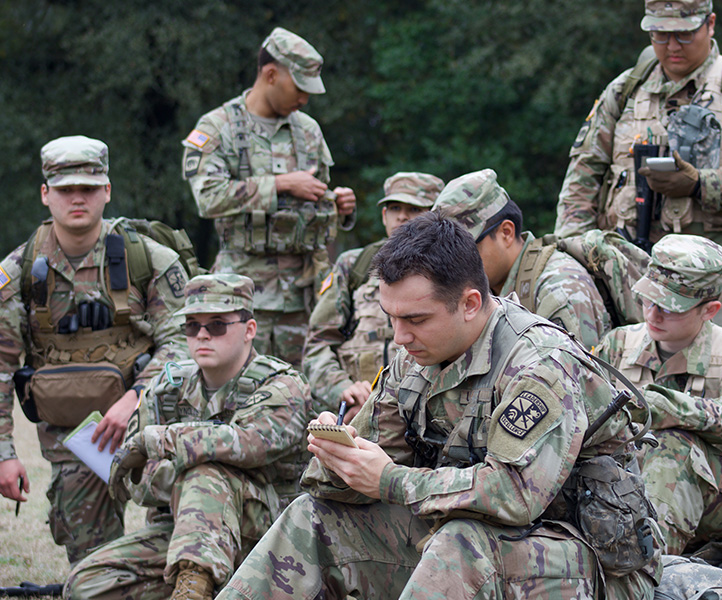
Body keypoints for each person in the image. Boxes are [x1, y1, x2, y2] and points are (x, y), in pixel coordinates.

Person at [216, 212, 660, 600]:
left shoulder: (538, 363)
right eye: (392, 318)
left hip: (589, 560)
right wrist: (341, 459)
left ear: (469, 304)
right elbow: (354, 479)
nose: (400, 336)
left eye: (415, 319)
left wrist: (389, 479)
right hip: (472, 540)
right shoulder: (415, 358)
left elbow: (515, 495)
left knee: (459, 543)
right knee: (311, 518)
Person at [554, 0, 722, 334]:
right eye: (660, 33)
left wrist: (701, 184)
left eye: (684, 34)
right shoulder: (626, 90)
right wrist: (575, 254)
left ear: (710, 24)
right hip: (632, 276)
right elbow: (583, 176)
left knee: (719, 374)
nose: (671, 46)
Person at [0, 135, 189, 564]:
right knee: (91, 566)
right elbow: (0, 367)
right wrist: (4, 456)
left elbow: (183, 343)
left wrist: (134, 398)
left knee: (183, 535)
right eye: (66, 189)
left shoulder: (150, 260)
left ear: (107, 191)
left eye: (89, 188)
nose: (77, 198)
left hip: (155, 425)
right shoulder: (18, 273)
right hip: (74, 438)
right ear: (46, 195)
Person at [65, 273, 312, 600]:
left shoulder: (282, 385)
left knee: (204, 475)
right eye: (192, 326)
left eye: (218, 325)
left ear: (249, 330)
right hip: (183, 532)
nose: (203, 335)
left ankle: (195, 591)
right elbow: (135, 478)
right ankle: (202, 583)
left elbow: (251, 443)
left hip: (269, 540)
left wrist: (162, 442)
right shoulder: (166, 389)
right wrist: (183, 477)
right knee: (84, 584)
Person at [181, 26, 357, 367]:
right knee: (242, 388)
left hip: (304, 297)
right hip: (241, 297)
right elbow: (208, 197)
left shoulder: (308, 131)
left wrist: (340, 206)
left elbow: (315, 202)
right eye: (300, 88)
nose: (305, 99)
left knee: (304, 392)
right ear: (271, 74)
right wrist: (280, 183)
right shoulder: (218, 128)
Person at [594, 234, 722, 555]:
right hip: (629, 483)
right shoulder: (619, 344)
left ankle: (649, 565)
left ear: (710, 310)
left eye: (669, 307)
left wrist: (660, 407)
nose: (652, 314)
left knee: (672, 446)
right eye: (648, 300)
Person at [302, 171, 443, 420]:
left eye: (414, 208)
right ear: (383, 215)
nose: (402, 216)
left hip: (428, 411)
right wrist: (342, 389)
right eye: (394, 207)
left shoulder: (452, 270)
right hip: (359, 410)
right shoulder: (355, 264)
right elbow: (317, 345)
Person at [435, 168, 611, 348]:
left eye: (468, 248)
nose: (456, 262)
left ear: (506, 233)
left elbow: (579, 373)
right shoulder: (485, 288)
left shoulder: (559, 290)